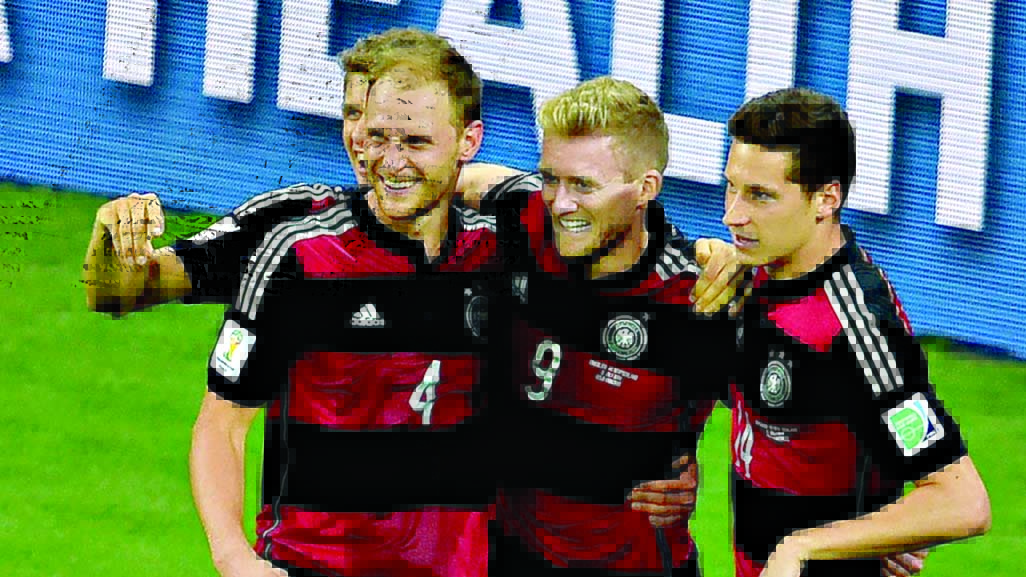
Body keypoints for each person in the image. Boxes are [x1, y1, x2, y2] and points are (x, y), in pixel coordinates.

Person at [721, 88, 990, 577]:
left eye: (760, 195)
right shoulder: (756, 270)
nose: (732, 214)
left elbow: (961, 501)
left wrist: (801, 547)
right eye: (731, 188)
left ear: (826, 198)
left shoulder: (857, 325)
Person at [478, 76, 737, 576]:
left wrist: (881, 522)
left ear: (646, 188)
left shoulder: (698, 295)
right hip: (505, 554)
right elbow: (460, 180)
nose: (561, 203)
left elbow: (805, 414)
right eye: (552, 177)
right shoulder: (521, 221)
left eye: (584, 185)